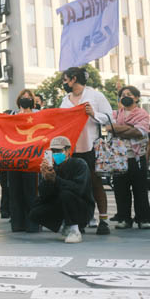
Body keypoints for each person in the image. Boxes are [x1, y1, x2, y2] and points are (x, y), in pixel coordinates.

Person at [60, 66, 113, 235]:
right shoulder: (65, 100)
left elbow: (109, 116)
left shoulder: (95, 96)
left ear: (74, 79)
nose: (64, 83)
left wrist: (93, 113)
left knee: (96, 182)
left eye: (65, 79)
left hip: (91, 146)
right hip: (71, 149)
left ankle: (103, 220)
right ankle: (79, 220)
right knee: (75, 185)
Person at [29, 136, 94, 243]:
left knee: (66, 194)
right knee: (36, 210)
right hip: (64, 204)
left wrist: (56, 179)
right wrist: (46, 179)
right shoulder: (53, 167)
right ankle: (65, 225)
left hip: (82, 207)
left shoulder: (79, 164)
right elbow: (45, 196)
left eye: (59, 150)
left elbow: (78, 189)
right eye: (53, 151)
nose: (56, 154)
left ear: (68, 150)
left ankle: (74, 229)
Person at [110, 86, 150, 229]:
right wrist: (129, 128)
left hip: (137, 157)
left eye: (129, 94)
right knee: (120, 189)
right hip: (119, 158)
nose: (125, 96)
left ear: (137, 98)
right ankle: (124, 218)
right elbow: (109, 128)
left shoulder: (144, 115)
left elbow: (140, 132)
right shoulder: (115, 114)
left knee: (140, 189)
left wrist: (119, 129)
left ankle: (143, 218)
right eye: (123, 94)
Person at [7, 89, 39, 233]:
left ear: (33, 101)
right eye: (23, 97)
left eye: (28, 97)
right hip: (14, 159)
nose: (26, 100)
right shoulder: (11, 115)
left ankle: (32, 223)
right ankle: (18, 224)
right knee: (15, 191)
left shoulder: (38, 115)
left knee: (31, 191)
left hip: (31, 159)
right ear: (18, 100)